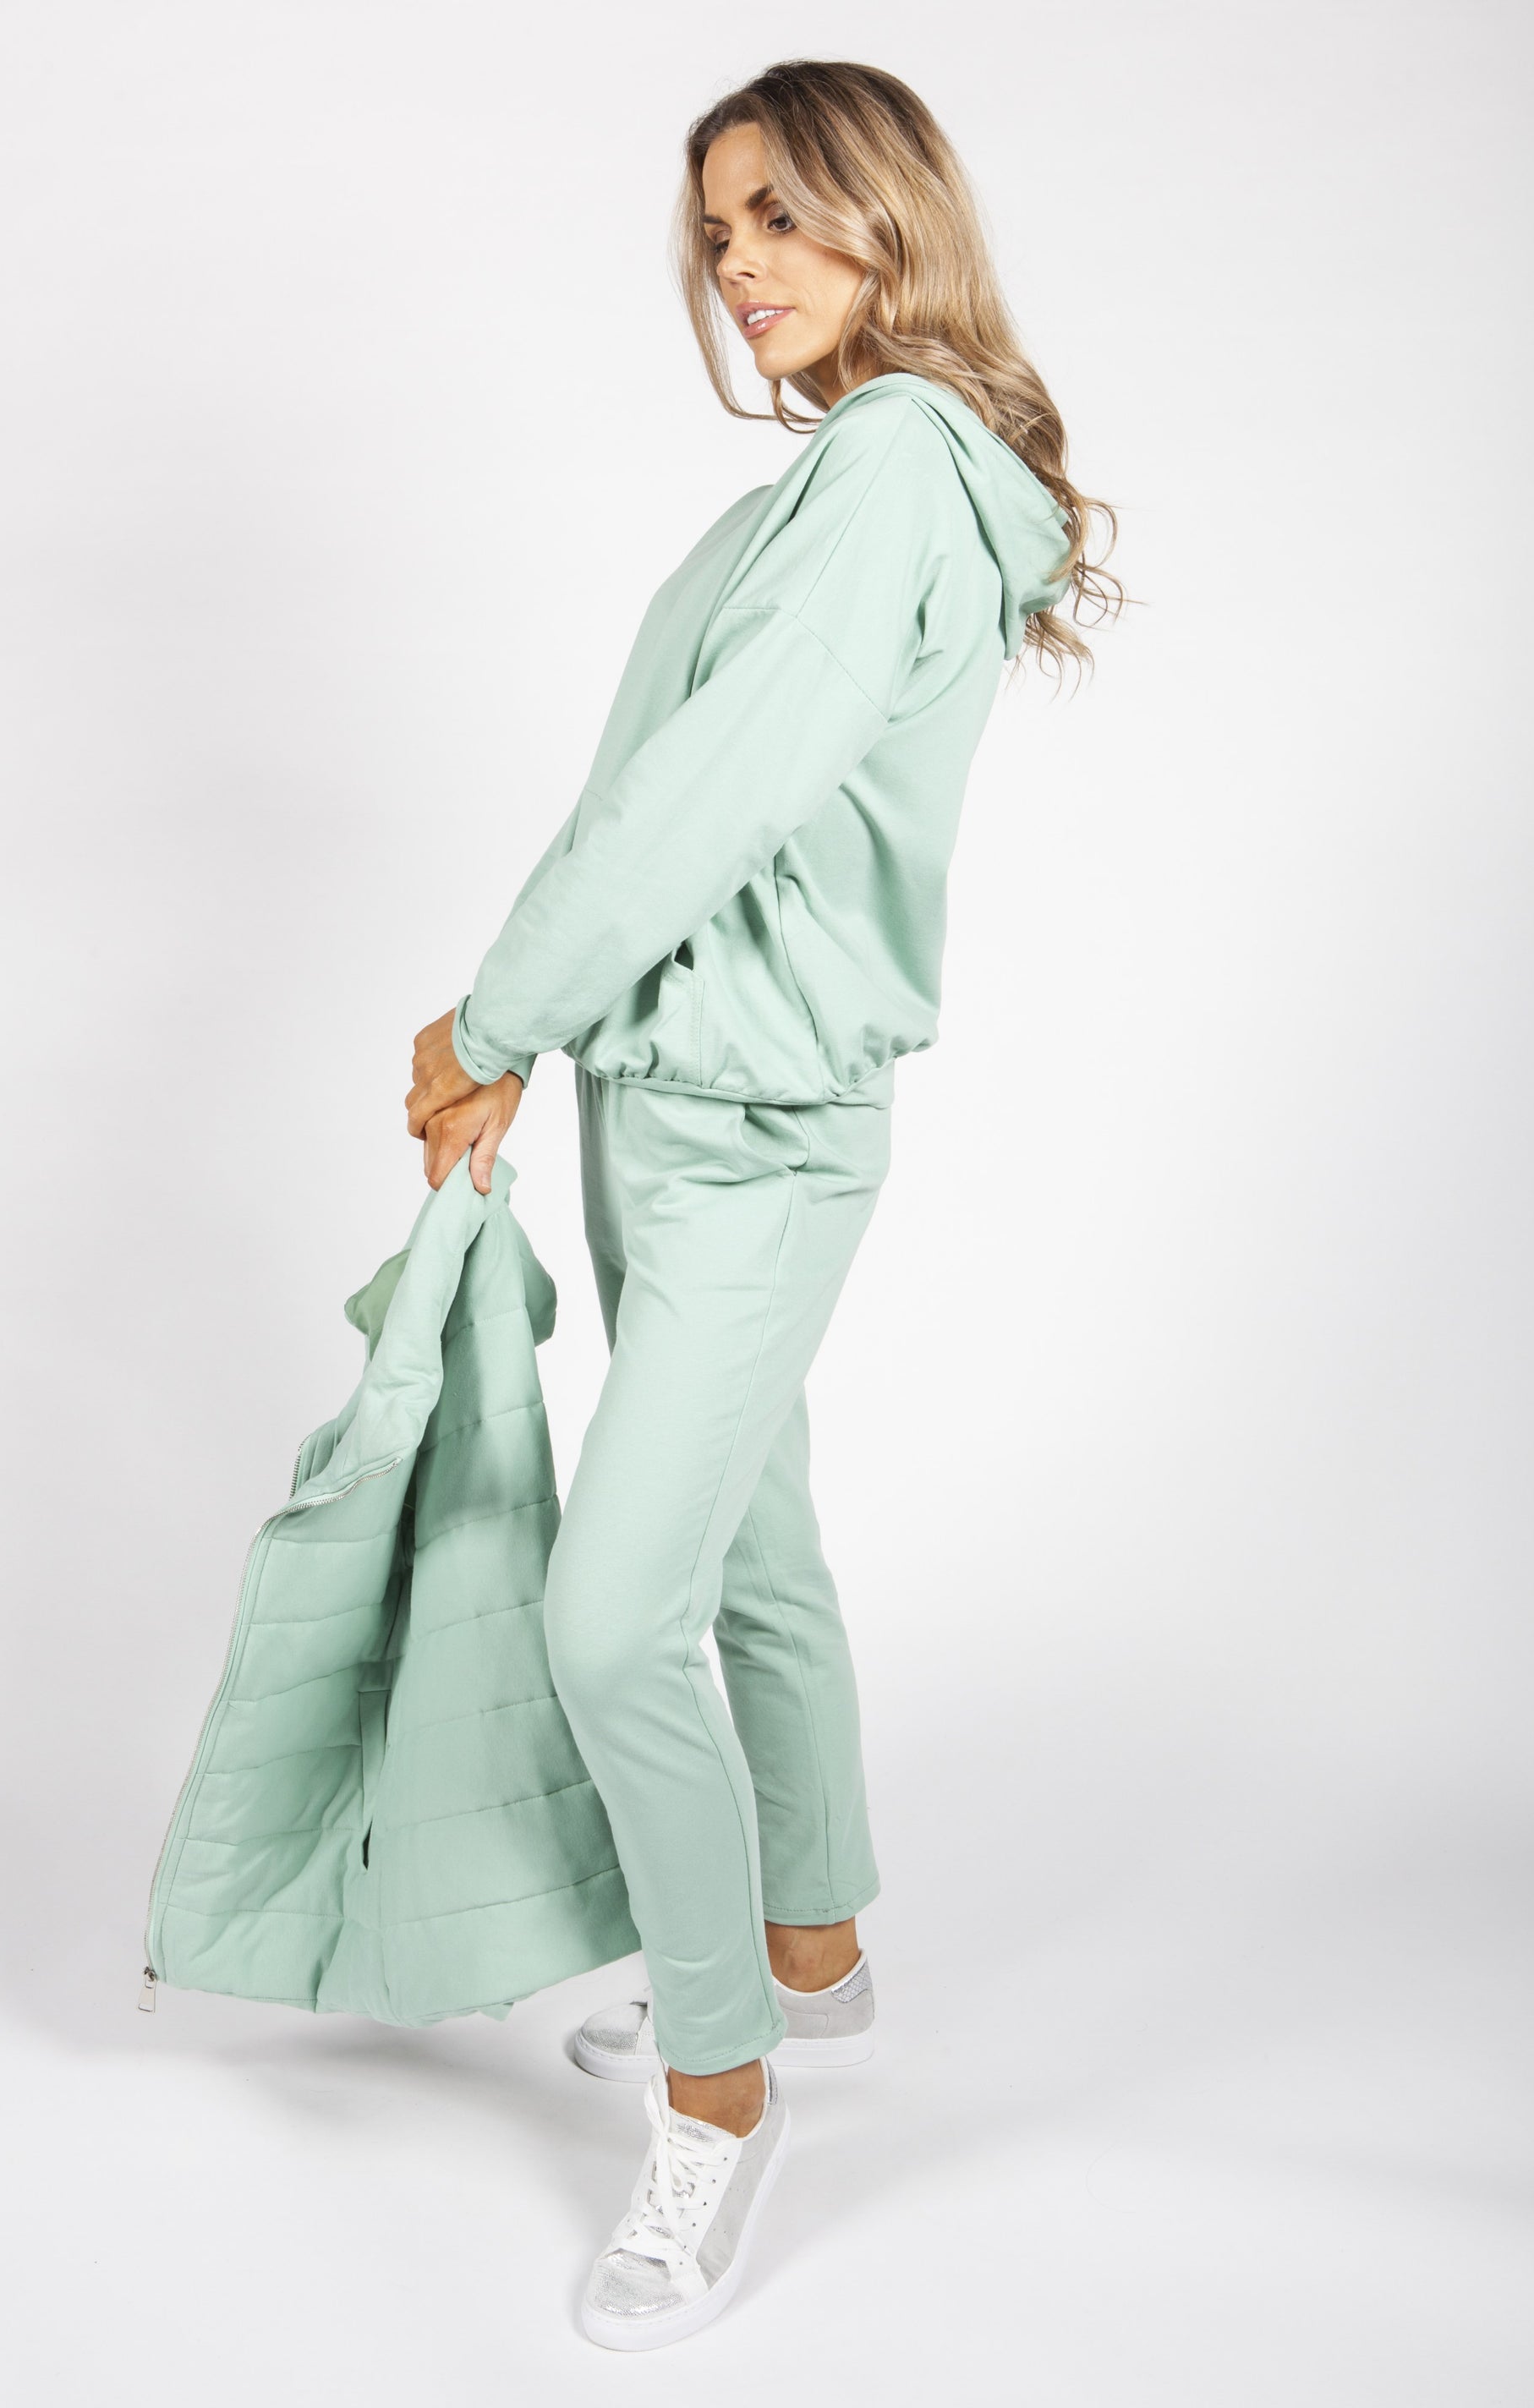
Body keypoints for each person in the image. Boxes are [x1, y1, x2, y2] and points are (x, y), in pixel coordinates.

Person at [403, 57, 1120, 2351]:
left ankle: (718, 2091)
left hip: (750, 1116)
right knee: (746, 1546)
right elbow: (670, 787)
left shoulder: (895, 463)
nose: (742, 268)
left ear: (893, 219)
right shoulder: (856, 472)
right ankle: (808, 1951)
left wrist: (494, 1015)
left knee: (614, 1619)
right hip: (685, 1093)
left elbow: (705, 796)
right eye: (719, 232)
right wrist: (556, 1033)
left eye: (785, 217)